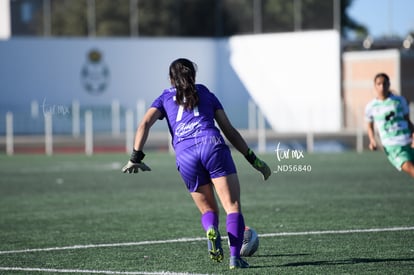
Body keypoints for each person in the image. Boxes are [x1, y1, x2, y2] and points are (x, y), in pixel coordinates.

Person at [122, 58, 271, 269]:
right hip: (212, 145)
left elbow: (144, 123)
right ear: (194, 75)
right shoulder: (206, 93)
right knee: (232, 206)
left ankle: (211, 229)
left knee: (208, 210)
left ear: (171, 79)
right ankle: (235, 258)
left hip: (185, 153)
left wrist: (135, 157)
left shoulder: (164, 97)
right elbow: (229, 130)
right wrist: (253, 159)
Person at [365, 72, 414, 178]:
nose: (382, 86)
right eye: (379, 84)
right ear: (375, 86)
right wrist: (372, 140)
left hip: (408, 141)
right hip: (392, 146)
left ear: (389, 84)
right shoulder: (371, 106)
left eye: (384, 83)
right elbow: (369, 126)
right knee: (412, 170)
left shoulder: (400, 101)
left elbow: (408, 121)